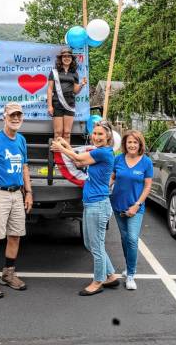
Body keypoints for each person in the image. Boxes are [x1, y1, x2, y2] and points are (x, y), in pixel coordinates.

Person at [51, 120, 119, 296]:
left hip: (98, 205)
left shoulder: (104, 153)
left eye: (100, 134)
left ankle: (98, 281)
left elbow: (78, 159)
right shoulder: (98, 152)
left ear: (108, 136)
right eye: (94, 134)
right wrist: (66, 144)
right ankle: (110, 275)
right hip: (92, 204)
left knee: (96, 246)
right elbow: (80, 161)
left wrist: (61, 149)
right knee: (91, 243)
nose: (96, 137)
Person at [0, 102, 33, 299]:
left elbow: (25, 167)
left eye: (19, 115)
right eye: (12, 115)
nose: (16, 118)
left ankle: (8, 274)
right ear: (4, 117)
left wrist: (28, 192)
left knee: (15, 235)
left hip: (16, 194)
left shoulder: (21, 140)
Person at [110, 130, 153, 290]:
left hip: (136, 206)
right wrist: (104, 187)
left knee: (133, 239)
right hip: (117, 205)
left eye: (135, 142)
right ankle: (128, 266)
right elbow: (113, 177)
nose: (132, 145)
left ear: (140, 144)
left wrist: (137, 205)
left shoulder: (146, 162)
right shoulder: (118, 159)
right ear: (125, 144)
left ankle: (131, 275)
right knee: (124, 238)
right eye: (129, 142)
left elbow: (147, 186)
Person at [47, 47, 87, 143]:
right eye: (64, 56)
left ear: (72, 59)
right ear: (61, 58)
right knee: (58, 132)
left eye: (69, 56)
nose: (67, 58)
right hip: (57, 104)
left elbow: (76, 91)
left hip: (70, 104)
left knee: (67, 133)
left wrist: (82, 84)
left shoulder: (75, 73)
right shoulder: (54, 72)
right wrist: (49, 106)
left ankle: (66, 156)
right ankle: (57, 156)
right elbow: (49, 89)